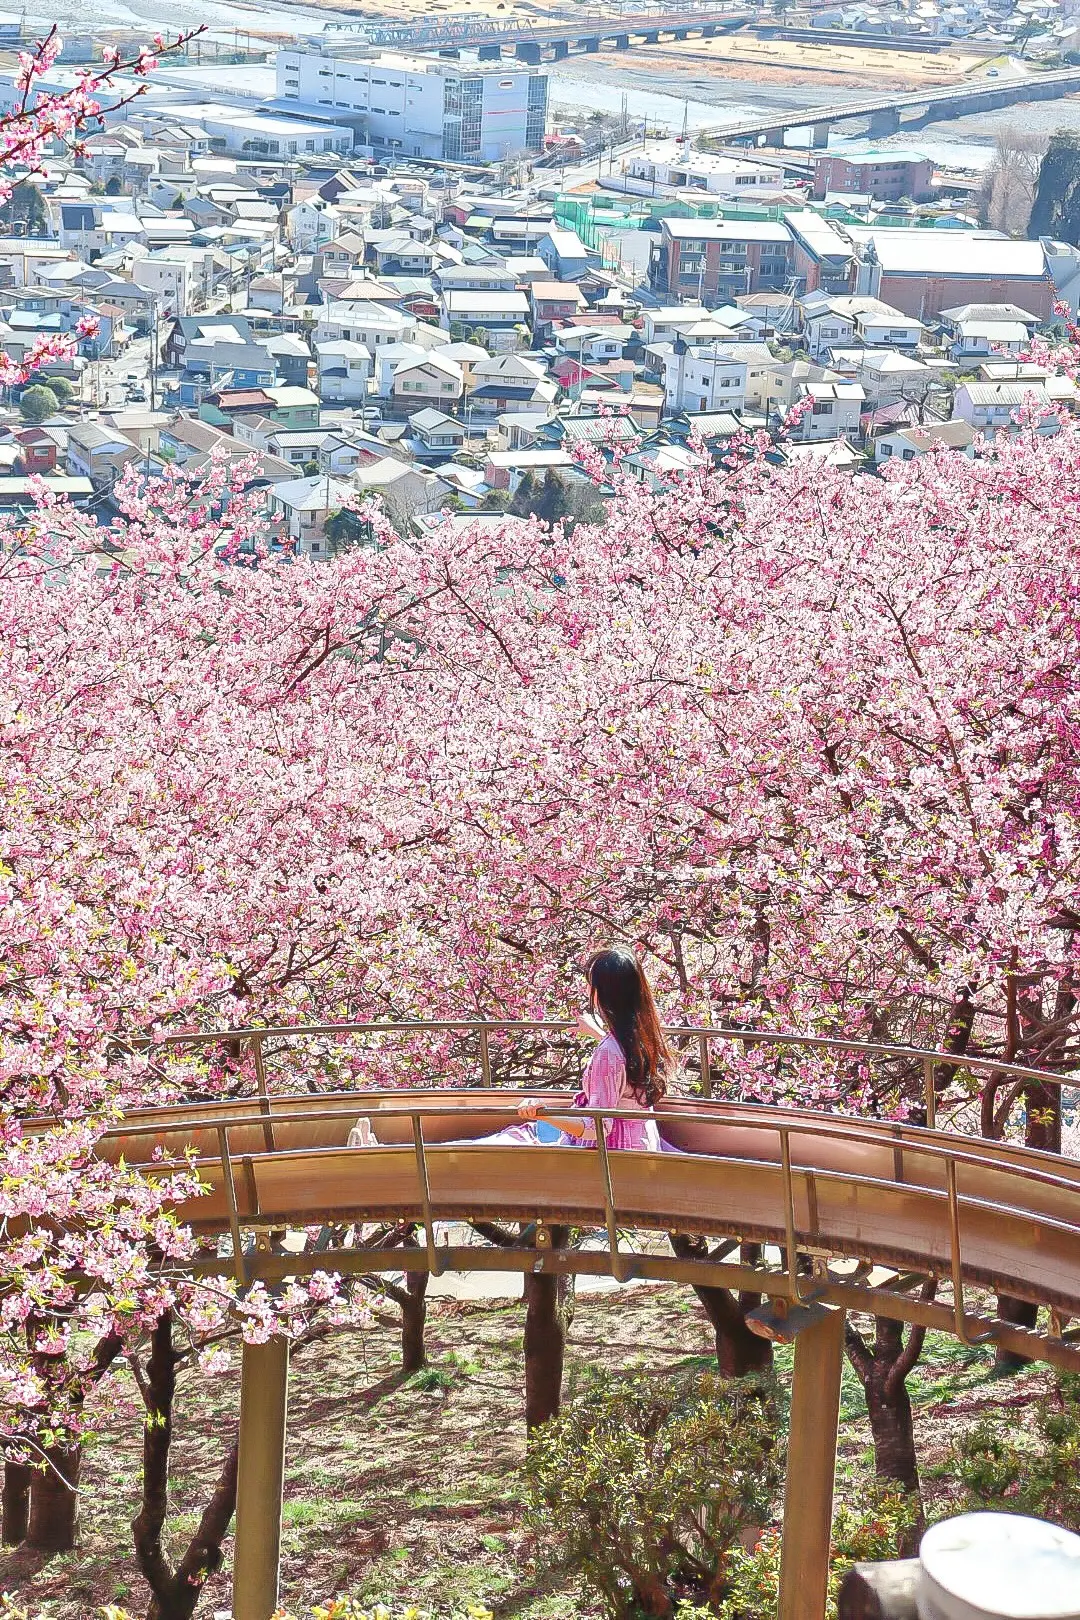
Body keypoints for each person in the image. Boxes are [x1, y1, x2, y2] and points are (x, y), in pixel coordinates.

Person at [498, 948, 673, 1150]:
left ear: (601, 993)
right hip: (642, 1144)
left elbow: (596, 1126)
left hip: (612, 1154)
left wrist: (543, 1112)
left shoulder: (609, 1052)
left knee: (519, 1136)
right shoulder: (645, 1035)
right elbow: (626, 1068)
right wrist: (599, 1034)